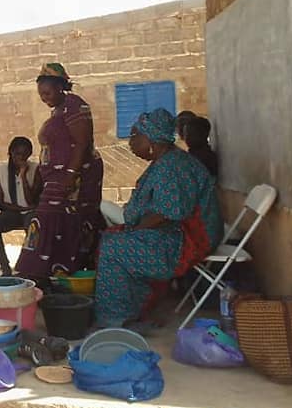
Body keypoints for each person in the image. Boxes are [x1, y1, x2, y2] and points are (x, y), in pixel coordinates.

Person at [95, 109, 223, 328]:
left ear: (152, 139)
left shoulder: (173, 167)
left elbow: (169, 213)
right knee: (111, 239)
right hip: (173, 233)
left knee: (114, 248)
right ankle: (130, 309)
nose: (131, 143)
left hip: (187, 240)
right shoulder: (165, 161)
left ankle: (117, 318)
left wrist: (135, 231)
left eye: (135, 136)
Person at [16, 64, 104, 280]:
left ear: (60, 86)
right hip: (58, 177)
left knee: (54, 219)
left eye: (47, 93)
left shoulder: (74, 105)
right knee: (52, 221)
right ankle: (50, 273)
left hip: (74, 177)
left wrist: (70, 174)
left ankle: (40, 273)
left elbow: (82, 143)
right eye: (41, 95)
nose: (44, 98)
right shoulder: (58, 110)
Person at [0, 137, 40, 276]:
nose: (21, 158)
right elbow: (1, 200)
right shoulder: (1, 170)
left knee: (32, 225)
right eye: (18, 154)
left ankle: (27, 267)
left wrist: (23, 176)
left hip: (31, 211)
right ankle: (5, 267)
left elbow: (31, 199)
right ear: (11, 153)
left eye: (25, 154)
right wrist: (19, 209)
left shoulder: (35, 169)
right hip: (12, 211)